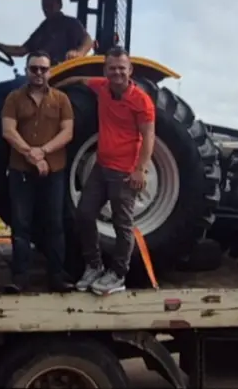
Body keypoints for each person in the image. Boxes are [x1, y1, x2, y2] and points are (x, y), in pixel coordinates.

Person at [62, 46, 155, 296]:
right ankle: (94, 265)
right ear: (105, 70)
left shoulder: (141, 101)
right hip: (101, 167)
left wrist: (140, 170)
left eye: (121, 68)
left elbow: (148, 136)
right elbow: (79, 79)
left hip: (124, 172)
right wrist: (55, 84)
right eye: (112, 68)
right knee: (84, 214)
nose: (117, 73)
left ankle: (118, 274)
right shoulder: (102, 87)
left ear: (130, 69)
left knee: (122, 224)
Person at [0, 51, 76, 293]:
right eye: (34, 69)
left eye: (43, 69)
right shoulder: (14, 98)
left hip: (54, 171)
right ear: (26, 70)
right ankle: (20, 278)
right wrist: (30, 154)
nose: (39, 73)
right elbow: (8, 130)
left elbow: (67, 132)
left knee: (54, 223)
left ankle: (56, 276)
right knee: (21, 224)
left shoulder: (62, 99)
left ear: (50, 71)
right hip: (21, 170)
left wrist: (42, 151)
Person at [0, 0, 93, 138]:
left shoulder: (70, 23)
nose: (47, 8)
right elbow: (22, 50)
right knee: (1, 88)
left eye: (50, 4)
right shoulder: (44, 28)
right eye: (44, 4)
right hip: (38, 72)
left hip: (54, 74)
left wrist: (79, 53)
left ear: (59, 4)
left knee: (0, 90)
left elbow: (88, 40)